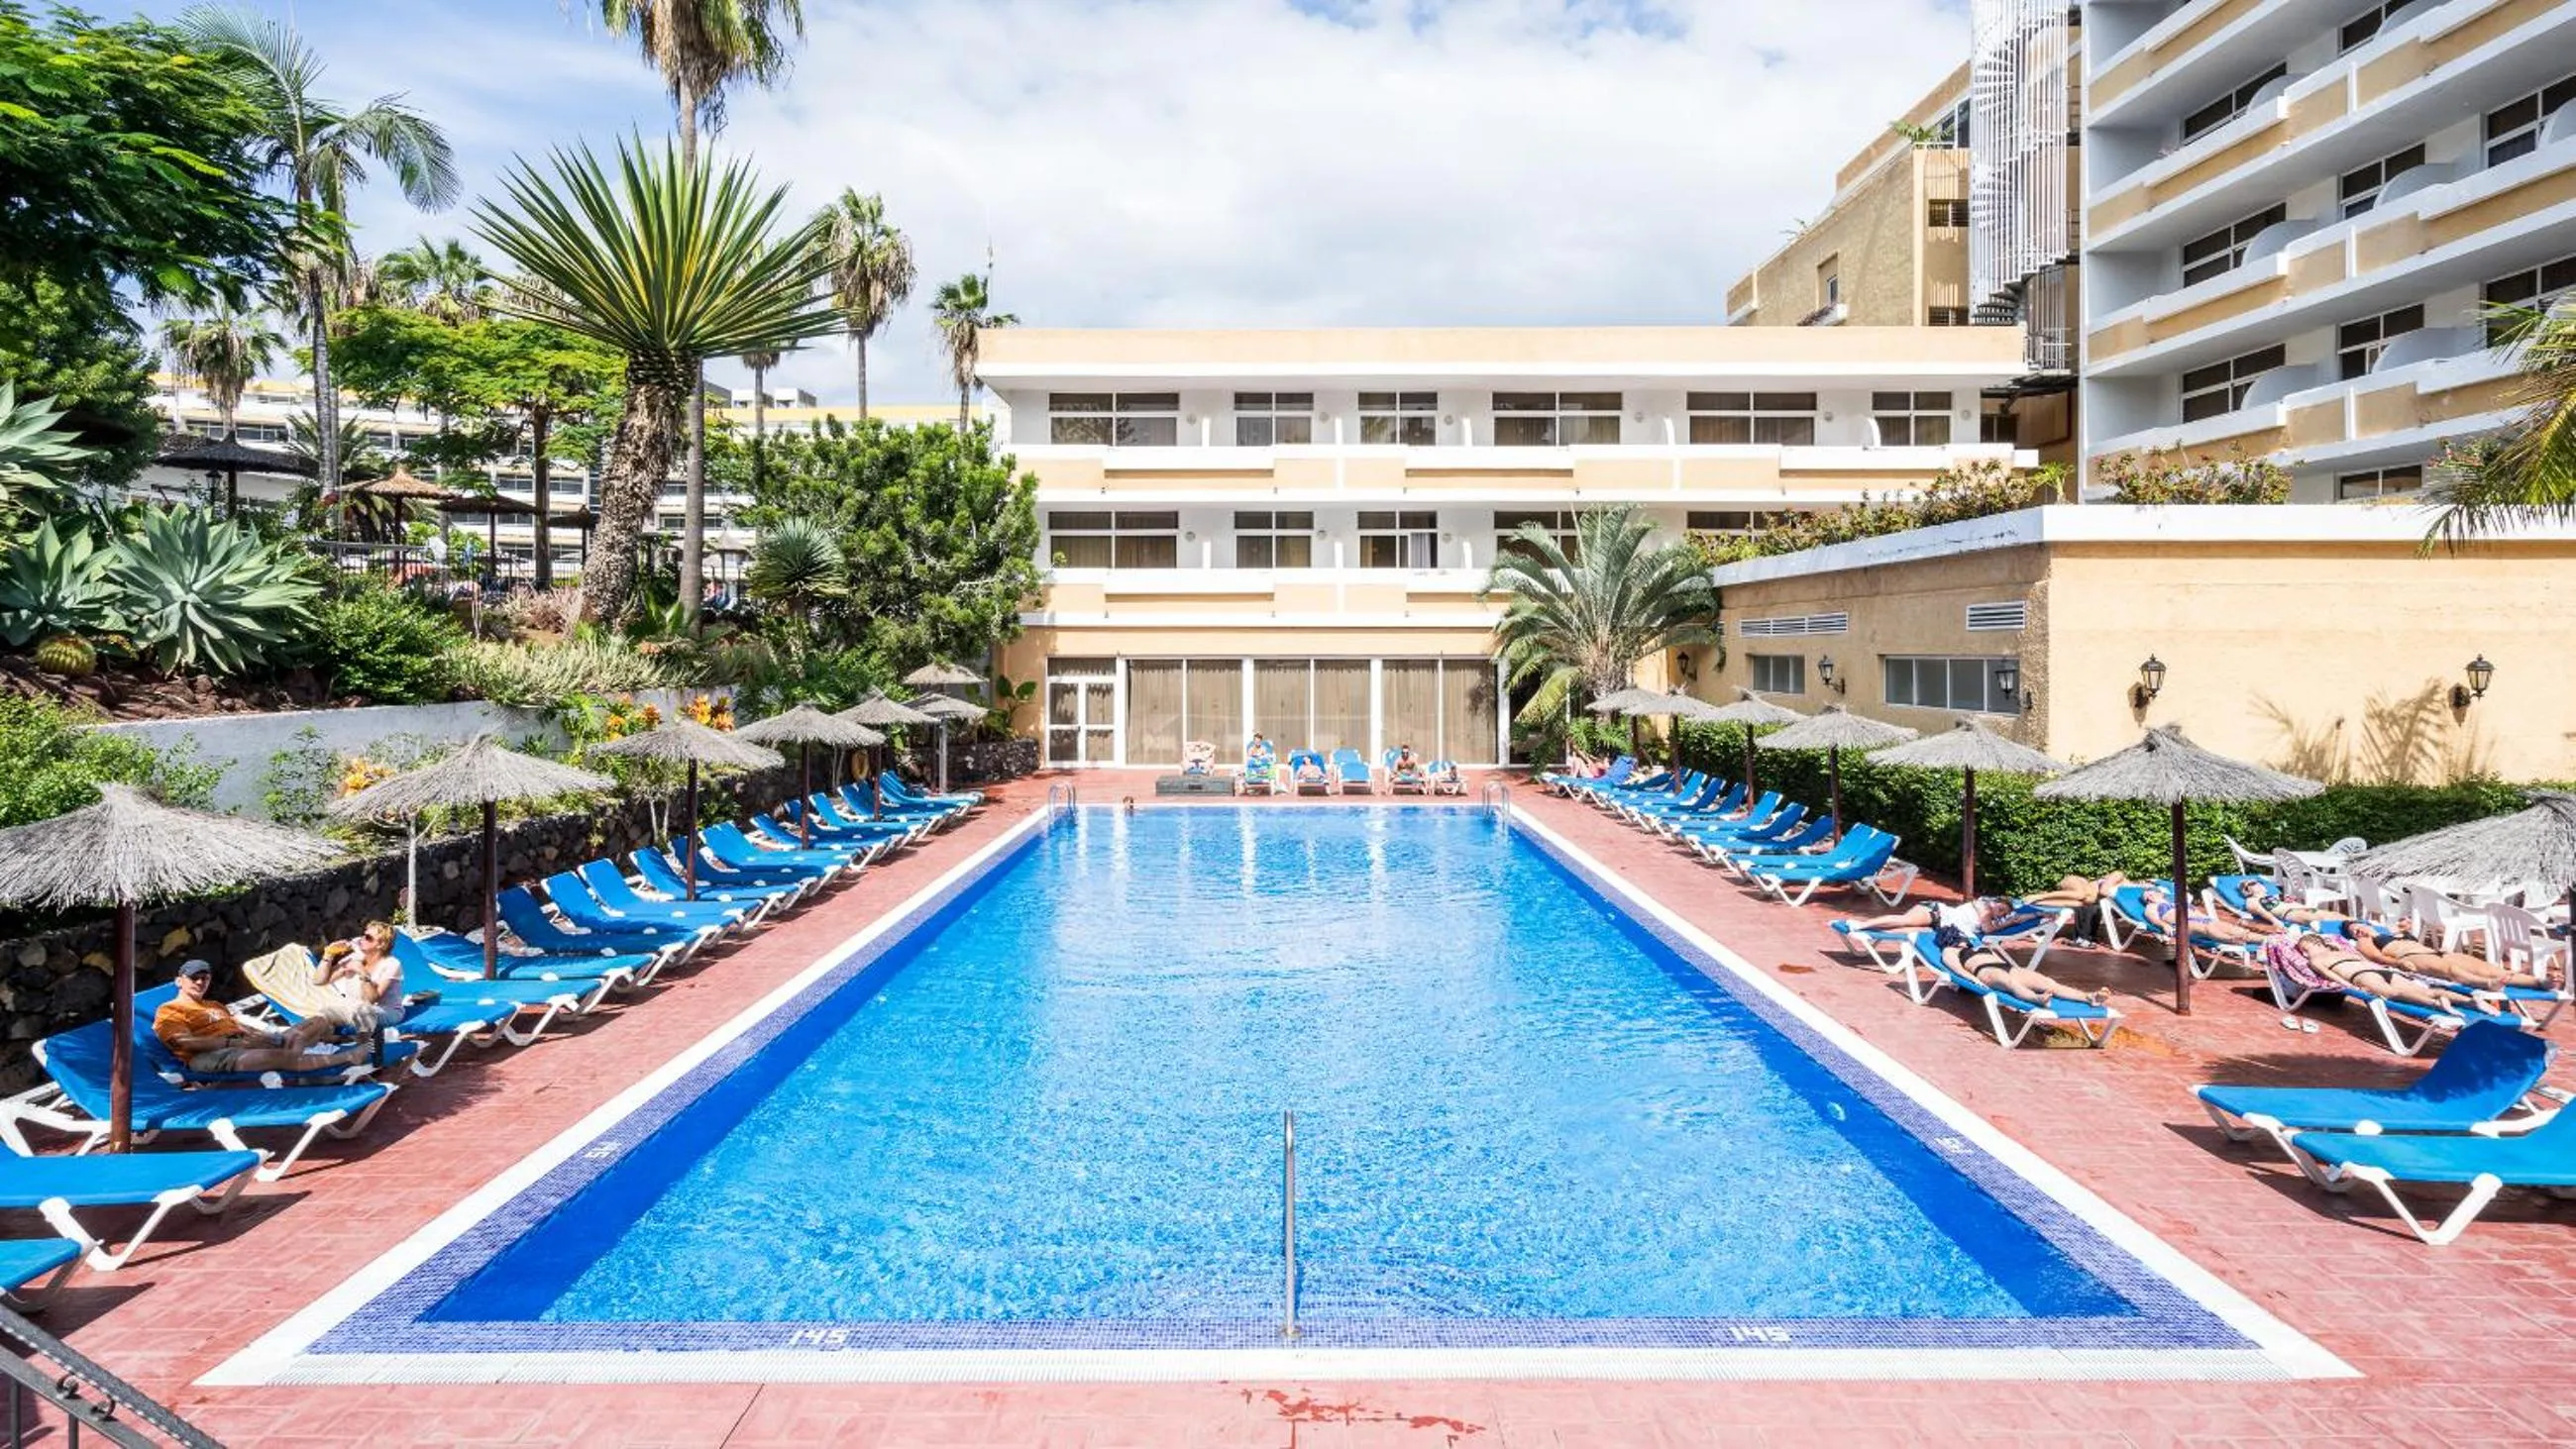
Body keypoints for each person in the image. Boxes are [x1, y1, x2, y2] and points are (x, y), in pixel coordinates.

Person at [154, 960, 366, 1075]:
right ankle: (346, 1057)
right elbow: (181, 1042)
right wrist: (232, 1042)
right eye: (194, 978)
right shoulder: (170, 1009)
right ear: (179, 981)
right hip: (209, 1055)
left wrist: (264, 1036)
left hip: (243, 1043)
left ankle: (298, 1059)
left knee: (318, 1021)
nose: (200, 982)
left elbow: (239, 1027)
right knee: (280, 1056)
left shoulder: (215, 1005)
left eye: (205, 978)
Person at [2283, 933, 2509, 1015]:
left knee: (2393, 994)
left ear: (2305, 947)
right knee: (2422, 989)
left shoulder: (2316, 958)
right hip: (2381, 970)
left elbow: (2330, 976)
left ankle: (2439, 1006)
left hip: (2361, 975)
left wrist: (2348, 986)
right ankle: (2471, 1001)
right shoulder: (2342, 949)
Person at [1937, 927, 2109, 1007]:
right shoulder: (1949, 950)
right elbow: (1957, 970)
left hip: (2004, 966)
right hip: (1985, 971)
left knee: (2049, 982)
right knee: (2011, 984)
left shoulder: (1978, 945)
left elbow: (1998, 957)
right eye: (1959, 936)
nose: (1963, 938)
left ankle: (2089, 997)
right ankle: (2036, 999)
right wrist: (1974, 981)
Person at [2346, 925, 2548, 991]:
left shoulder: (2392, 931)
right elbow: (2376, 957)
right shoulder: (2366, 941)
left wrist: (2404, 929)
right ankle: (2486, 984)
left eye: (2357, 926)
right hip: (2411, 957)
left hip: (2437, 952)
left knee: (2490, 967)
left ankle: (2537, 982)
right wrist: (2398, 963)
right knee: (2450, 972)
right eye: (2353, 930)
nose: (2358, 929)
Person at [310, 920, 406, 1032]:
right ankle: (332, 1042)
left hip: (387, 1011)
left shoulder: (391, 964)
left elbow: (371, 999)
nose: (362, 939)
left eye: (368, 937)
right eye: (363, 935)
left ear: (381, 944)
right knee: (322, 1014)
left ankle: (365, 1046)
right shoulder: (354, 958)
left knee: (363, 1011)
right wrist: (329, 954)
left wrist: (362, 971)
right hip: (354, 1009)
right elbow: (319, 981)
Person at [1846, 896, 2015, 938]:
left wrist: (2035, 915)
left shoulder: (1986, 913)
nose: (1999, 913)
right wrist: (2011, 921)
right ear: (1994, 903)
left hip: (1938, 921)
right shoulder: (1983, 907)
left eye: (2003, 913)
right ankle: (1860, 926)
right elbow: (1988, 929)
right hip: (1936, 912)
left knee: (1906, 929)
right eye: (2000, 909)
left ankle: (1867, 932)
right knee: (1903, 920)